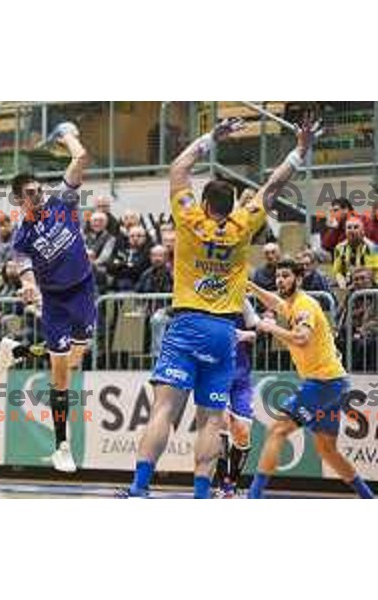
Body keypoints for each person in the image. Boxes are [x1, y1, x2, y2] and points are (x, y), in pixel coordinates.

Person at [123, 116, 320, 499]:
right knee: (213, 418)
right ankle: (201, 494)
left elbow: (178, 168)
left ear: (204, 202)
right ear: (231, 206)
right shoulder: (243, 224)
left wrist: (212, 137)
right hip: (223, 332)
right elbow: (275, 184)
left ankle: (139, 488)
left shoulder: (188, 217)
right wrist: (300, 148)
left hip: (187, 323)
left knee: (164, 410)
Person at [0, 121, 91, 473]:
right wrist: (30, 283)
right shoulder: (22, 236)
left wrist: (65, 135)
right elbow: (22, 264)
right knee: (61, 374)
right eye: (30, 194)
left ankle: (16, 350)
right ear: (20, 201)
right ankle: (61, 445)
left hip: (84, 289)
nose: (37, 196)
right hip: (54, 302)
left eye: (38, 189)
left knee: (76, 359)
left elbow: (81, 159)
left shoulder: (62, 201)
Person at [247, 260, 374, 499]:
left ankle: (253, 497)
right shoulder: (292, 303)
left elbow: (301, 338)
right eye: (277, 277)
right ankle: (368, 498)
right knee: (327, 449)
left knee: (277, 431)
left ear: (299, 279)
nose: (280, 281)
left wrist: (270, 327)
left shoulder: (304, 305)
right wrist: (249, 285)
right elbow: (274, 302)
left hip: (323, 383)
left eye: (285, 276)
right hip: (333, 383)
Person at [213, 300, 259, 497]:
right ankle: (222, 484)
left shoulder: (242, 301)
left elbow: (256, 333)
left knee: (242, 433)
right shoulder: (209, 301)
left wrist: (243, 335)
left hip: (241, 379)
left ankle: (233, 481)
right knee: (219, 425)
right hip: (216, 376)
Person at [333, 216, 378, 289]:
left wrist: (355, 284)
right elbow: (338, 271)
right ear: (345, 231)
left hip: (369, 286)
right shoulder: (339, 248)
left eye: (356, 227)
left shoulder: (372, 248)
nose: (352, 230)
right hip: (349, 285)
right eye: (349, 227)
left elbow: (372, 273)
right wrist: (341, 281)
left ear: (363, 231)